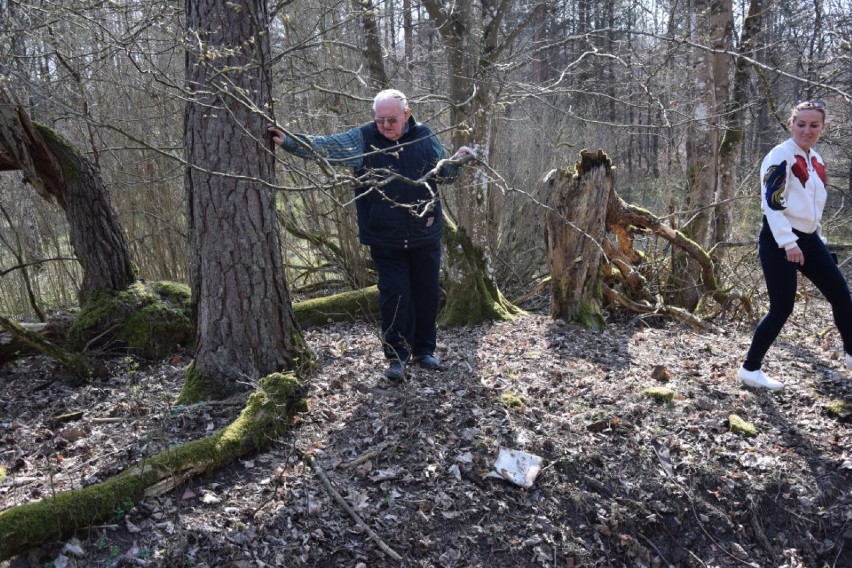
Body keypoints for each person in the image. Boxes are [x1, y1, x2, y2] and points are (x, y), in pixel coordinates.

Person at [267, 89, 475, 381]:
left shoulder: (424, 136)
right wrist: (289, 141)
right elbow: (326, 147)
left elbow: (445, 174)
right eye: (380, 120)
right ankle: (396, 358)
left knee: (427, 295)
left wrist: (459, 160)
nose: (386, 125)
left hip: (424, 233)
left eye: (392, 119)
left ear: (407, 114)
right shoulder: (362, 139)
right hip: (385, 239)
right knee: (395, 296)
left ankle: (425, 350)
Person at [737, 99, 852, 391]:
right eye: (801, 124)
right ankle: (750, 370)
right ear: (791, 124)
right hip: (779, 240)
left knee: (842, 296)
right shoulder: (780, 156)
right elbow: (771, 205)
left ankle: (851, 354)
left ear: (822, 127)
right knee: (781, 308)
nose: (807, 130)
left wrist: (817, 236)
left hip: (810, 240)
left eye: (814, 125)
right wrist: (788, 243)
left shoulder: (817, 160)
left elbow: (812, 205)